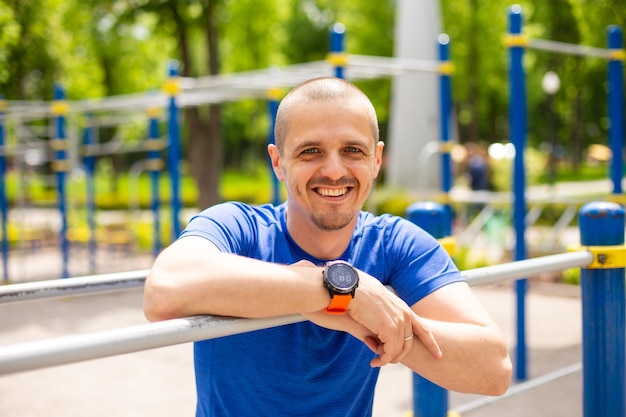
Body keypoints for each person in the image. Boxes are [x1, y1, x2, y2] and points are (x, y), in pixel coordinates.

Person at [144, 77, 512, 417]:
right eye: (310, 152)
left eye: (352, 149)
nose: (334, 170)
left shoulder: (396, 243)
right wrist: (344, 290)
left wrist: (370, 322)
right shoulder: (238, 227)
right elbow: (164, 290)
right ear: (278, 162)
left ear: (377, 159)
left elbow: (493, 371)